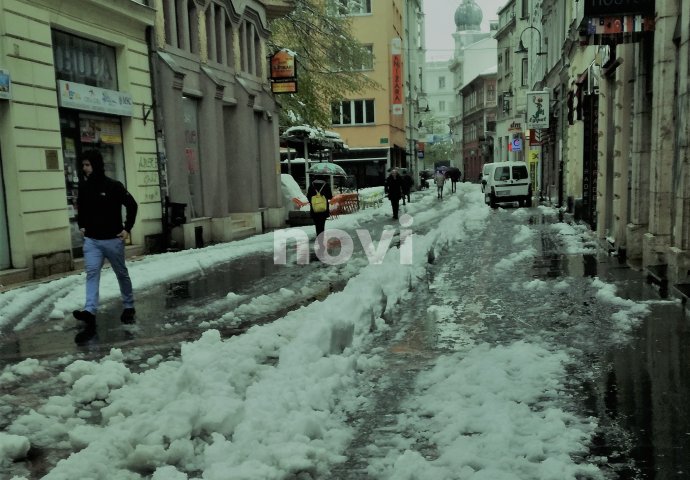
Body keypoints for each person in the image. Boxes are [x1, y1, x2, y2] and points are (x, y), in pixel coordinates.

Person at [72, 150, 138, 327]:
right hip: (92, 241)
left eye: (87, 165)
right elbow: (82, 209)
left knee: (121, 273)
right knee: (92, 273)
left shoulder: (114, 186)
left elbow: (132, 205)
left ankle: (129, 306)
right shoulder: (84, 187)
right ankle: (90, 311)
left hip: (113, 240)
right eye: (83, 165)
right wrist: (82, 225)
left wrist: (127, 229)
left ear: (96, 165)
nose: (85, 168)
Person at [306, 175, 333, 251]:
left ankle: (319, 240)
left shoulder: (312, 185)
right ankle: (321, 241)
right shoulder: (326, 184)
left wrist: (315, 198)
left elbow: (308, 197)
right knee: (322, 225)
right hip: (323, 209)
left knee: (317, 225)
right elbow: (330, 196)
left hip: (314, 209)